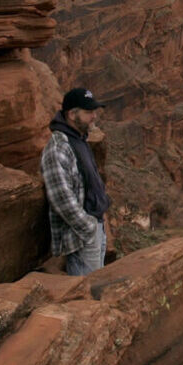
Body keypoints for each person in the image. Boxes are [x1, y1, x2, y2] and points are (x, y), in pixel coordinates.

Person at [41, 87, 112, 275]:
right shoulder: (58, 147)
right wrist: (88, 228)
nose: (94, 116)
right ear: (72, 114)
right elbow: (61, 198)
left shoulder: (78, 139)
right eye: (89, 112)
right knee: (87, 293)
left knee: (97, 290)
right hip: (82, 236)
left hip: (96, 227)